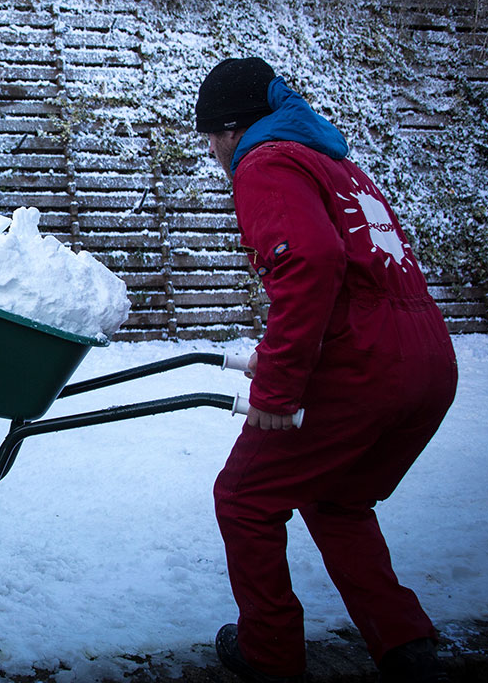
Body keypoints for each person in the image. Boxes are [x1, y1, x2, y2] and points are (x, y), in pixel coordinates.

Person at [194, 58, 457, 683]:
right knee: (336, 498)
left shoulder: (265, 162)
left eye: (211, 135)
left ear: (236, 128)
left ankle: (269, 655)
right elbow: (354, 278)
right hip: (427, 360)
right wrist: (282, 353)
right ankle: (405, 646)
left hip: (363, 369)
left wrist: (279, 387)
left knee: (245, 498)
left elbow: (307, 261)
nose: (210, 150)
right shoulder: (336, 165)